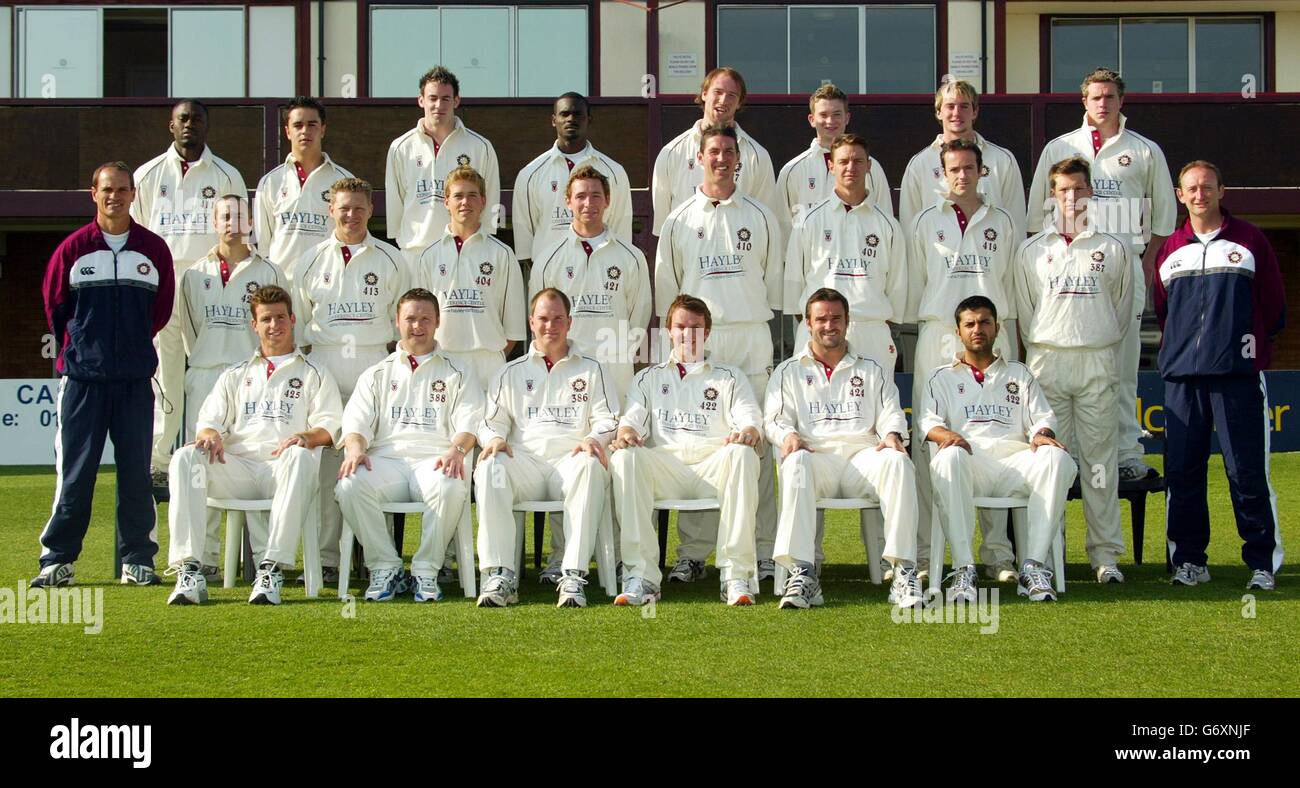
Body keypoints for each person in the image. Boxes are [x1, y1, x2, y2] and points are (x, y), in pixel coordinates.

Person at [1027, 68, 1177, 481]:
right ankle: (1064, 456)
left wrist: (1144, 266)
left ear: (1121, 101)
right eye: (1095, 96)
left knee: (1122, 367)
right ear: (1084, 101)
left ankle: (1126, 454)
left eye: (1110, 96)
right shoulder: (1059, 147)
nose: (1103, 103)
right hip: (1069, 271)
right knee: (1066, 366)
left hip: (1121, 269)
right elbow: (1035, 219)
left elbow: (1164, 217)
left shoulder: (1145, 151)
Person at [34, 162, 174, 589]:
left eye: (123, 189)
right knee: (76, 474)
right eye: (107, 189)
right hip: (83, 383)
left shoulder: (153, 250)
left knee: (135, 472)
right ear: (93, 194)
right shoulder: (72, 250)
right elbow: (55, 309)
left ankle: (137, 560)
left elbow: (160, 311)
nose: (115, 196)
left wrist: (128, 349)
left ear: (134, 194)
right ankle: (57, 560)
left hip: (134, 382)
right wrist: (88, 352)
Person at [655, 123, 782, 583]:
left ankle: (764, 551)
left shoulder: (762, 217)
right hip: (697, 342)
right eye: (714, 151)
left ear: (738, 159)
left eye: (729, 151)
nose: (722, 158)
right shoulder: (678, 220)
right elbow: (669, 295)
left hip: (749, 336)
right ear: (700, 157)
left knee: (756, 444)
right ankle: (694, 553)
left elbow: (772, 284)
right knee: (701, 443)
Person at [164, 285, 342, 605]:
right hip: (239, 470)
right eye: (266, 319)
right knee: (185, 457)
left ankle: (271, 568)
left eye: (279, 318)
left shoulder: (315, 372)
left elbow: (330, 427)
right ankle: (189, 569)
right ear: (254, 325)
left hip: (284, 471)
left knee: (301, 457)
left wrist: (306, 437)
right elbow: (209, 422)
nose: (274, 325)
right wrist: (211, 436)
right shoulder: (234, 374)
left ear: (292, 319)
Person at [1154, 160, 1286, 591]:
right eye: (1191, 188)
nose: (1199, 194)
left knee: (1245, 471)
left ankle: (1261, 563)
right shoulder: (1170, 248)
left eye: (1207, 187)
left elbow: (1273, 306)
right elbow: (1163, 310)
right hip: (1181, 381)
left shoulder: (1250, 241)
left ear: (1221, 190)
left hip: (1236, 378)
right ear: (1179, 195)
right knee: (1183, 473)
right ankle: (1190, 561)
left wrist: (1242, 350)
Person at [1015, 156, 1133, 583]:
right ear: (1052, 195)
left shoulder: (1112, 247)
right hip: (1047, 360)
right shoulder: (1031, 251)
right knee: (1048, 461)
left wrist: (1093, 338)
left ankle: (1105, 556)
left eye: (1079, 188)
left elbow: (1121, 311)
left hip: (1097, 361)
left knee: (1100, 463)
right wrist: (1051, 340)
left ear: (1091, 192)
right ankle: (1046, 556)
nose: (1071, 196)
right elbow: (1026, 316)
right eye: (1063, 189)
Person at [765, 288, 922, 610]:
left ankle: (904, 571)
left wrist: (893, 434)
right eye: (821, 319)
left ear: (847, 321)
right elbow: (775, 419)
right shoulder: (788, 371)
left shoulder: (872, 369)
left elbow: (891, 410)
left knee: (898, 463)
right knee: (794, 464)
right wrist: (788, 436)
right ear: (807, 324)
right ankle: (803, 572)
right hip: (816, 457)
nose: (829, 325)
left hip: (862, 458)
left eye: (836, 318)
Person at [907, 138, 1019, 582]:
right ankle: (923, 553)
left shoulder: (1005, 222)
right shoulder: (922, 223)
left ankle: (997, 554)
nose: (962, 175)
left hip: (992, 334)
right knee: (930, 444)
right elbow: (915, 283)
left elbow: (1011, 282)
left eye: (969, 168)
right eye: (953, 168)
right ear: (942, 173)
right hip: (937, 334)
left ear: (981, 171)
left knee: (999, 437)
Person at [919, 296, 1077, 603]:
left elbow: (1043, 418)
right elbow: (927, 423)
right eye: (970, 324)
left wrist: (1042, 434)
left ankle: (1033, 566)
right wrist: (947, 434)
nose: (978, 329)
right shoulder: (942, 377)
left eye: (984, 322)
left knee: (1056, 457)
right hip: (971, 463)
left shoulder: (1020, 373)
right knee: (949, 456)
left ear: (997, 328)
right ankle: (964, 569)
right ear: (958, 331)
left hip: (1015, 464)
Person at [610, 295, 763, 607]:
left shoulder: (729, 377)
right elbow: (631, 422)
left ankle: (736, 575)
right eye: (681, 326)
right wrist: (626, 432)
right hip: (666, 468)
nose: (688, 334)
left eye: (696, 327)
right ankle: (641, 576)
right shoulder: (647, 378)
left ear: (707, 332)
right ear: (669, 330)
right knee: (625, 457)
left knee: (744, 454)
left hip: (713, 466)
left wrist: (748, 431)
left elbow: (750, 420)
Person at [293, 177, 409, 585]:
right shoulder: (309, 261)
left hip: (376, 370)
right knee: (329, 474)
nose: (351, 214)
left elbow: (405, 324)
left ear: (370, 209)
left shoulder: (393, 259)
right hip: (325, 373)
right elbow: (300, 326)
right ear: (331, 209)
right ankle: (328, 557)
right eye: (344, 207)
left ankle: (379, 557)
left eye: (359, 207)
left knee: (377, 464)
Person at [335, 288, 484, 602]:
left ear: (437, 322)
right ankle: (385, 567)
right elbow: (356, 423)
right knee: (349, 484)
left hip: (434, 461)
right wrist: (356, 448)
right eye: (410, 319)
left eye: (425, 319)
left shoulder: (459, 372)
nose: (417, 326)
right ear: (397, 322)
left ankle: (425, 571)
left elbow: (469, 424)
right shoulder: (376, 373)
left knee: (450, 483)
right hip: (386, 462)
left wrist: (457, 451)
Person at [474, 288, 618, 608]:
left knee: (592, 464)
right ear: (530, 322)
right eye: (542, 319)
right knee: (489, 467)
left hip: (571, 461)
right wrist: (494, 439)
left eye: (557, 319)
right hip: (526, 464)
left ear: (570, 322)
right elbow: (489, 423)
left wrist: (594, 438)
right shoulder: (509, 372)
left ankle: (573, 575)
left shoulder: (593, 369)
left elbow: (609, 420)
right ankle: (501, 574)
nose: (550, 325)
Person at [132, 99, 249, 484]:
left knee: (210, 370)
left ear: (206, 126)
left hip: (210, 288)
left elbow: (239, 232)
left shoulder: (227, 175)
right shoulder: (147, 175)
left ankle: (220, 448)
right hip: (162, 288)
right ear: (171, 125)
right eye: (183, 118)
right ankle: (160, 462)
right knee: (166, 375)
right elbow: (136, 238)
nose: (189, 125)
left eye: (197, 119)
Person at [175, 194, 286, 580]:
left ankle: (258, 558)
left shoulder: (270, 270)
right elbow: (191, 334)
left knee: (248, 459)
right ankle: (202, 557)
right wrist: (209, 359)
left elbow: (283, 328)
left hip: (251, 378)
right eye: (224, 215)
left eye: (239, 215)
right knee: (202, 461)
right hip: (205, 373)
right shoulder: (193, 274)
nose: (232, 222)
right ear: (214, 221)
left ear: (251, 221)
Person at [784, 133, 907, 374]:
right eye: (843, 162)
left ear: (869, 166)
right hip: (819, 332)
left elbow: (897, 287)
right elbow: (795, 282)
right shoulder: (809, 220)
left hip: (871, 333)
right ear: (831, 166)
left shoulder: (888, 224)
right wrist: (817, 323)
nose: (851, 167)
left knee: (875, 410)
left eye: (858, 161)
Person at [529, 165, 651, 400]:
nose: (588, 203)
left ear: (607, 201)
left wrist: (618, 352)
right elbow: (540, 321)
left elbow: (639, 314)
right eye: (580, 196)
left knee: (616, 434)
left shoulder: (631, 257)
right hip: (565, 366)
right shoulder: (548, 259)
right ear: (568, 202)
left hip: (614, 368)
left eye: (596, 196)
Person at [414, 165, 526, 387]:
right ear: (446, 202)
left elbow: (513, 328)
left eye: (472, 195)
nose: (465, 202)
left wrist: (490, 356)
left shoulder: (502, 253)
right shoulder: (428, 255)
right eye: (458, 196)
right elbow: (420, 318)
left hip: (488, 364)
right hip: (441, 360)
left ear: (483, 201)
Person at [385, 66, 501, 257]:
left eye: (446, 98)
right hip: (415, 252)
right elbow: (395, 202)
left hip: (465, 250)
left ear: (456, 101)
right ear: (421, 100)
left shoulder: (480, 146)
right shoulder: (401, 147)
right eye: (433, 98)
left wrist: (483, 242)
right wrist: (403, 241)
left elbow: (491, 198)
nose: (439, 105)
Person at [652, 67, 779, 236]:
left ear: (739, 103)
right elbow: (663, 228)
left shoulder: (757, 156)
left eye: (732, 95)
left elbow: (765, 221)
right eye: (717, 92)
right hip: (688, 255)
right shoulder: (671, 153)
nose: (723, 100)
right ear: (704, 93)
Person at [512, 92, 633, 266]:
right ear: (554, 120)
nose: (570, 119)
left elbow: (621, 226)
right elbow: (525, 234)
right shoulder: (530, 174)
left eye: (577, 114)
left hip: (599, 270)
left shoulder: (614, 171)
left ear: (588, 120)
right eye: (564, 114)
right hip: (549, 272)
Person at [900, 79, 1026, 242]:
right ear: (938, 112)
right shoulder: (919, 164)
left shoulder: (1002, 160)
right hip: (939, 262)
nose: (957, 113)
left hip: (990, 259)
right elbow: (909, 229)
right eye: (950, 106)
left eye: (964, 106)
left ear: (975, 112)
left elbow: (1016, 223)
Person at [775, 83, 892, 243]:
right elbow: (783, 230)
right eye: (823, 114)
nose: (830, 121)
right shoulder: (791, 171)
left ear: (847, 118)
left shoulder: (871, 168)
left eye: (837, 114)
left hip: (861, 263)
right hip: (812, 265)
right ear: (812, 119)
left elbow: (886, 223)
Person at [254, 97, 354, 282]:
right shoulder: (270, 182)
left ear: (323, 129)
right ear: (287, 131)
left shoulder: (344, 180)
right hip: (283, 283)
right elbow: (262, 244)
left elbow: (351, 237)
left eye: (312, 124)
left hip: (328, 281)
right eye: (298, 125)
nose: (305, 131)